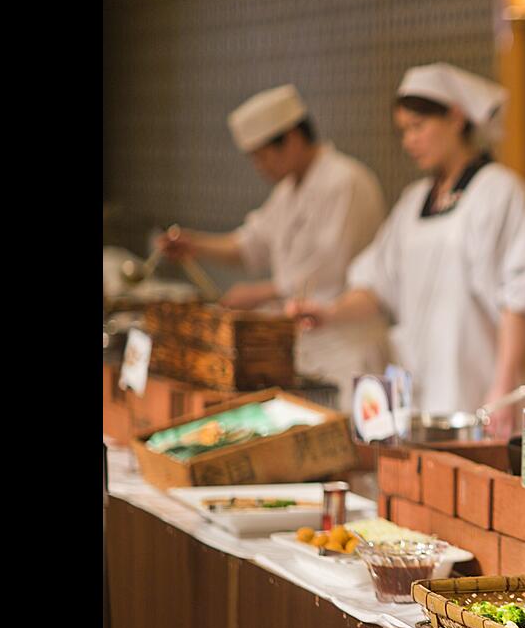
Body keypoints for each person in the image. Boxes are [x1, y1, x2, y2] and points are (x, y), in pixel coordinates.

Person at [290, 64, 525, 439]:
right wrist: (329, 312)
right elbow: (377, 284)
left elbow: (519, 300)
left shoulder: (503, 192)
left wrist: (504, 388)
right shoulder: (412, 202)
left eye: (418, 126)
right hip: (415, 396)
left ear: (456, 118)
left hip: (481, 395)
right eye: (403, 131)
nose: (409, 141)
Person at [157, 83, 388, 405]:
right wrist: (195, 245)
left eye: (262, 156)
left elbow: (328, 275)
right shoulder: (288, 190)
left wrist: (260, 293)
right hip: (302, 344)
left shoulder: (345, 181)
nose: (259, 167)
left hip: (345, 346)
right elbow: (250, 244)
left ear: (291, 138)